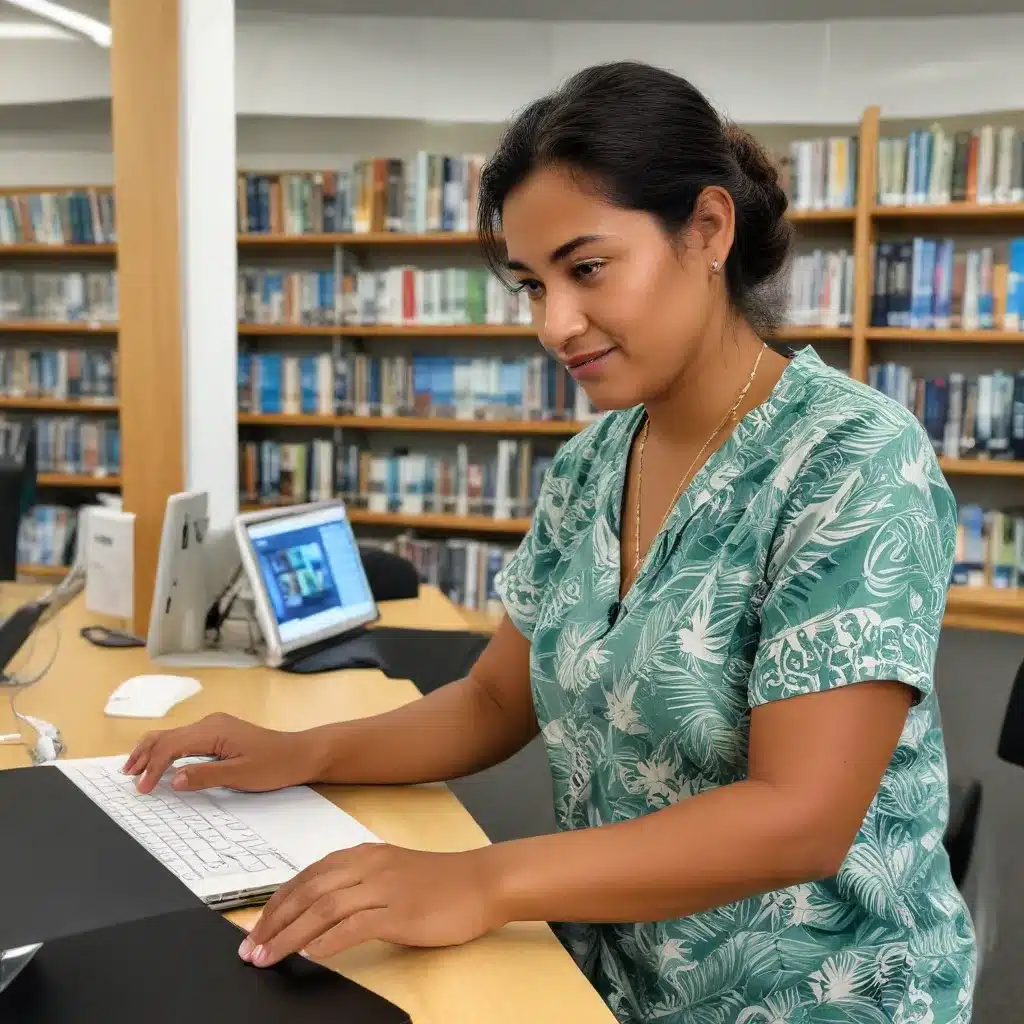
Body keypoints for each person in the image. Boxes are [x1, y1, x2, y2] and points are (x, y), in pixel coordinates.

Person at [124, 61, 975, 1024]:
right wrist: (303, 751)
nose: (554, 324)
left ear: (707, 230)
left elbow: (802, 818)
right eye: (531, 285)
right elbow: (496, 697)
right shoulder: (594, 460)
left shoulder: (854, 456)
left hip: (813, 997)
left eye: (587, 269)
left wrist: (479, 882)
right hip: (599, 972)